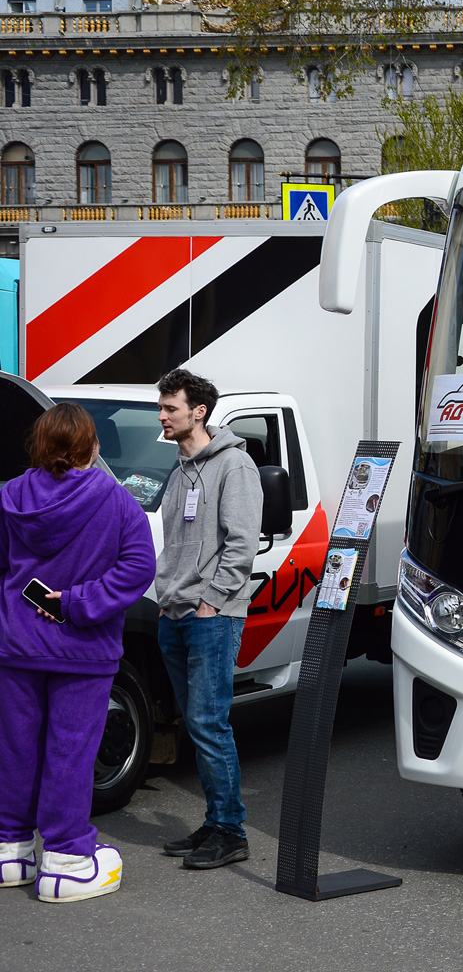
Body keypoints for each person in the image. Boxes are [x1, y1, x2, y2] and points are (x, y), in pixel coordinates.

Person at [0, 403, 154, 901]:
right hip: (81, 649)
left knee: (14, 749)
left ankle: (10, 851)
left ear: (39, 443)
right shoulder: (115, 499)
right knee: (70, 751)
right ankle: (65, 860)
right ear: (90, 446)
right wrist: (75, 604)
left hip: (16, 645)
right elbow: (138, 568)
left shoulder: (10, 497)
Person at [154, 369, 262, 870]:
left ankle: (231, 831)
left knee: (208, 722)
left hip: (210, 616)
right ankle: (216, 820)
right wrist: (166, 596)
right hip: (175, 612)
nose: (163, 416)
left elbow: (241, 544)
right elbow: (175, 544)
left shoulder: (235, 466)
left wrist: (212, 602)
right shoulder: (178, 469)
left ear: (198, 411)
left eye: (170, 408)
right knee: (196, 724)